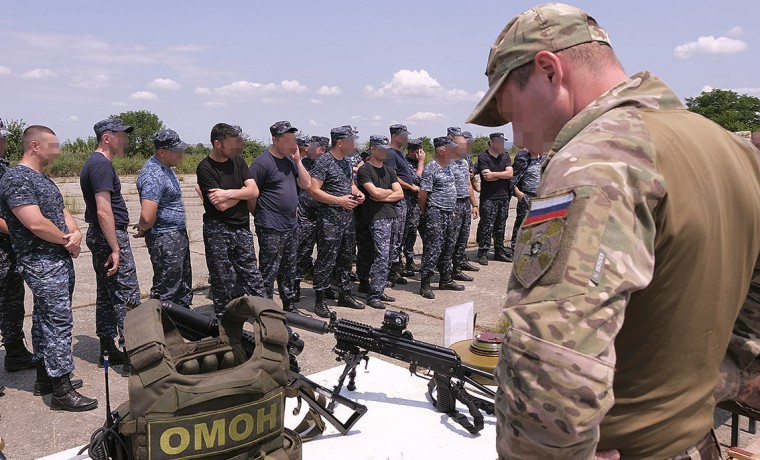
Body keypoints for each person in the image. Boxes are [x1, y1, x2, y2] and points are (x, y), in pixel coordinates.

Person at [467, 3, 760, 458]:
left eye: (512, 111)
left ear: (548, 70)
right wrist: (729, 371)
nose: (518, 138)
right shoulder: (731, 149)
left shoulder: (599, 158)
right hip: (693, 438)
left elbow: (551, 356)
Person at [0, 125, 98, 411]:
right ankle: (61, 389)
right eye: (52, 146)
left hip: (56, 257)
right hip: (41, 260)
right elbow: (34, 222)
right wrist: (67, 240)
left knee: (46, 319)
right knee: (58, 323)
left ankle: (46, 377)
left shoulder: (41, 177)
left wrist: (75, 232)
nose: (56, 151)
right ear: (34, 146)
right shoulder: (16, 178)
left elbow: (61, 210)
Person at [80, 118, 140, 370]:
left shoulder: (95, 164)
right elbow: (104, 210)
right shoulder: (101, 165)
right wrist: (116, 248)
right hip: (109, 236)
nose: (125, 140)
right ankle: (134, 356)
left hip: (100, 235)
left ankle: (107, 346)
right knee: (127, 295)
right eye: (121, 135)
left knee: (106, 294)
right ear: (107, 137)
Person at [197, 123, 264, 316]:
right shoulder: (205, 168)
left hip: (241, 228)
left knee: (253, 276)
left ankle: (268, 319)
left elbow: (255, 191)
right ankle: (225, 325)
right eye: (232, 142)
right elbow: (221, 206)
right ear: (218, 144)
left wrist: (228, 193)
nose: (237, 147)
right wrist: (243, 193)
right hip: (217, 230)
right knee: (222, 280)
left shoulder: (238, 161)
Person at [250, 121, 311, 313]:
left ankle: (288, 303)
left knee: (289, 267)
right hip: (270, 226)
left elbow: (306, 184)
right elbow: (252, 195)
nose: (293, 143)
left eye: (294, 139)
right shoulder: (262, 163)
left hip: (291, 224)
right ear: (275, 140)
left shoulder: (289, 161)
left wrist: (298, 160)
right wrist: (260, 214)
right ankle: (265, 308)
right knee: (269, 270)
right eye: (288, 139)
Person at [309, 125, 366, 317]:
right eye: (351, 141)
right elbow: (314, 190)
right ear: (340, 143)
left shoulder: (346, 162)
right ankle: (320, 299)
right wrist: (338, 200)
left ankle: (344, 293)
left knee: (346, 258)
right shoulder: (324, 161)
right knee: (326, 259)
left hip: (346, 218)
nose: (354, 144)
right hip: (330, 219)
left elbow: (349, 184)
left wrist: (358, 193)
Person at [134, 128, 192, 308]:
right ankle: (161, 330)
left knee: (181, 286)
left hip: (174, 236)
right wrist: (144, 227)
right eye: (177, 150)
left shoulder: (165, 169)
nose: (181, 154)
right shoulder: (153, 174)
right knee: (167, 289)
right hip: (165, 238)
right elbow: (147, 216)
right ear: (162, 152)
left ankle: (182, 325)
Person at [0, 119, 35, 372]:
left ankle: (15, 352)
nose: (4, 142)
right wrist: (22, 232)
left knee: (12, 302)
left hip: (8, 251)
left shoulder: (3, 168)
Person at [356, 135, 403, 309]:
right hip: (376, 217)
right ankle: (373, 294)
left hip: (392, 215)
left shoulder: (389, 170)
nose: (385, 153)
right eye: (382, 149)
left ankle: (380, 288)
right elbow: (373, 193)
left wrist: (383, 194)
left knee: (390, 255)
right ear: (373, 149)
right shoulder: (365, 170)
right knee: (381, 256)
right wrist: (388, 192)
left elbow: (400, 194)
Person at [418, 137, 464, 299]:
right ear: (441, 150)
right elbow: (423, 194)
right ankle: (425, 283)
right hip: (436, 212)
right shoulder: (432, 168)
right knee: (433, 248)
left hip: (449, 212)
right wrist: (425, 212)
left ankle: (445, 279)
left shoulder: (449, 167)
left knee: (448, 246)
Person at [294, 135, 330, 300]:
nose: (307, 148)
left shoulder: (331, 164)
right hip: (306, 215)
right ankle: (295, 286)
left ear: (322, 148)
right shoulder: (303, 164)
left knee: (326, 254)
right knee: (302, 251)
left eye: (312, 146)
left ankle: (325, 285)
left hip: (327, 216)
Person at [384, 124, 417, 285]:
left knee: (401, 236)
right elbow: (393, 177)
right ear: (395, 136)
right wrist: (410, 186)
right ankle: (391, 271)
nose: (407, 138)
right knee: (395, 237)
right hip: (398, 201)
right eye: (404, 135)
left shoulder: (399, 153)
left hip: (405, 200)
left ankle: (396, 268)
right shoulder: (390, 154)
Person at [475, 132, 513, 265]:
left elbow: (510, 174)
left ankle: (499, 251)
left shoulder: (506, 156)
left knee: (501, 225)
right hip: (489, 197)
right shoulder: (483, 157)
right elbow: (487, 177)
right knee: (487, 225)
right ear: (491, 142)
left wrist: (495, 174)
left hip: (504, 196)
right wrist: (502, 175)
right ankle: (483, 251)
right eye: (499, 141)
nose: (502, 144)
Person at [448, 132, 480, 282]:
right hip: (452, 205)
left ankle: (457, 269)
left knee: (462, 238)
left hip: (465, 204)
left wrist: (474, 204)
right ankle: (446, 273)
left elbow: (468, 185)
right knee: (450, 240)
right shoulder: (446, 162)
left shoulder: (464, 162)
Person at [509, 147, 545, 251]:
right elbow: (512, 178)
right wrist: (518, 193)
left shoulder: (544, 160)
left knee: (538, 222)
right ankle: (515, 247)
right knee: (521, 222)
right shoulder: (523, 160)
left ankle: (534, 246)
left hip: (540, 196)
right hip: (526, 196)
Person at [402, 138, 425, 275]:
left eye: (421, 151)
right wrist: (421, 163)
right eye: (417, 152)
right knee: (409, 234)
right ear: (410, 151)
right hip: (409, 204)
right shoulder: (405, 163)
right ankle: (408, 262)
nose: (420, 154)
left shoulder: (419, 163)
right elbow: (416, 180)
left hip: (420, 204)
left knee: (421, 233)